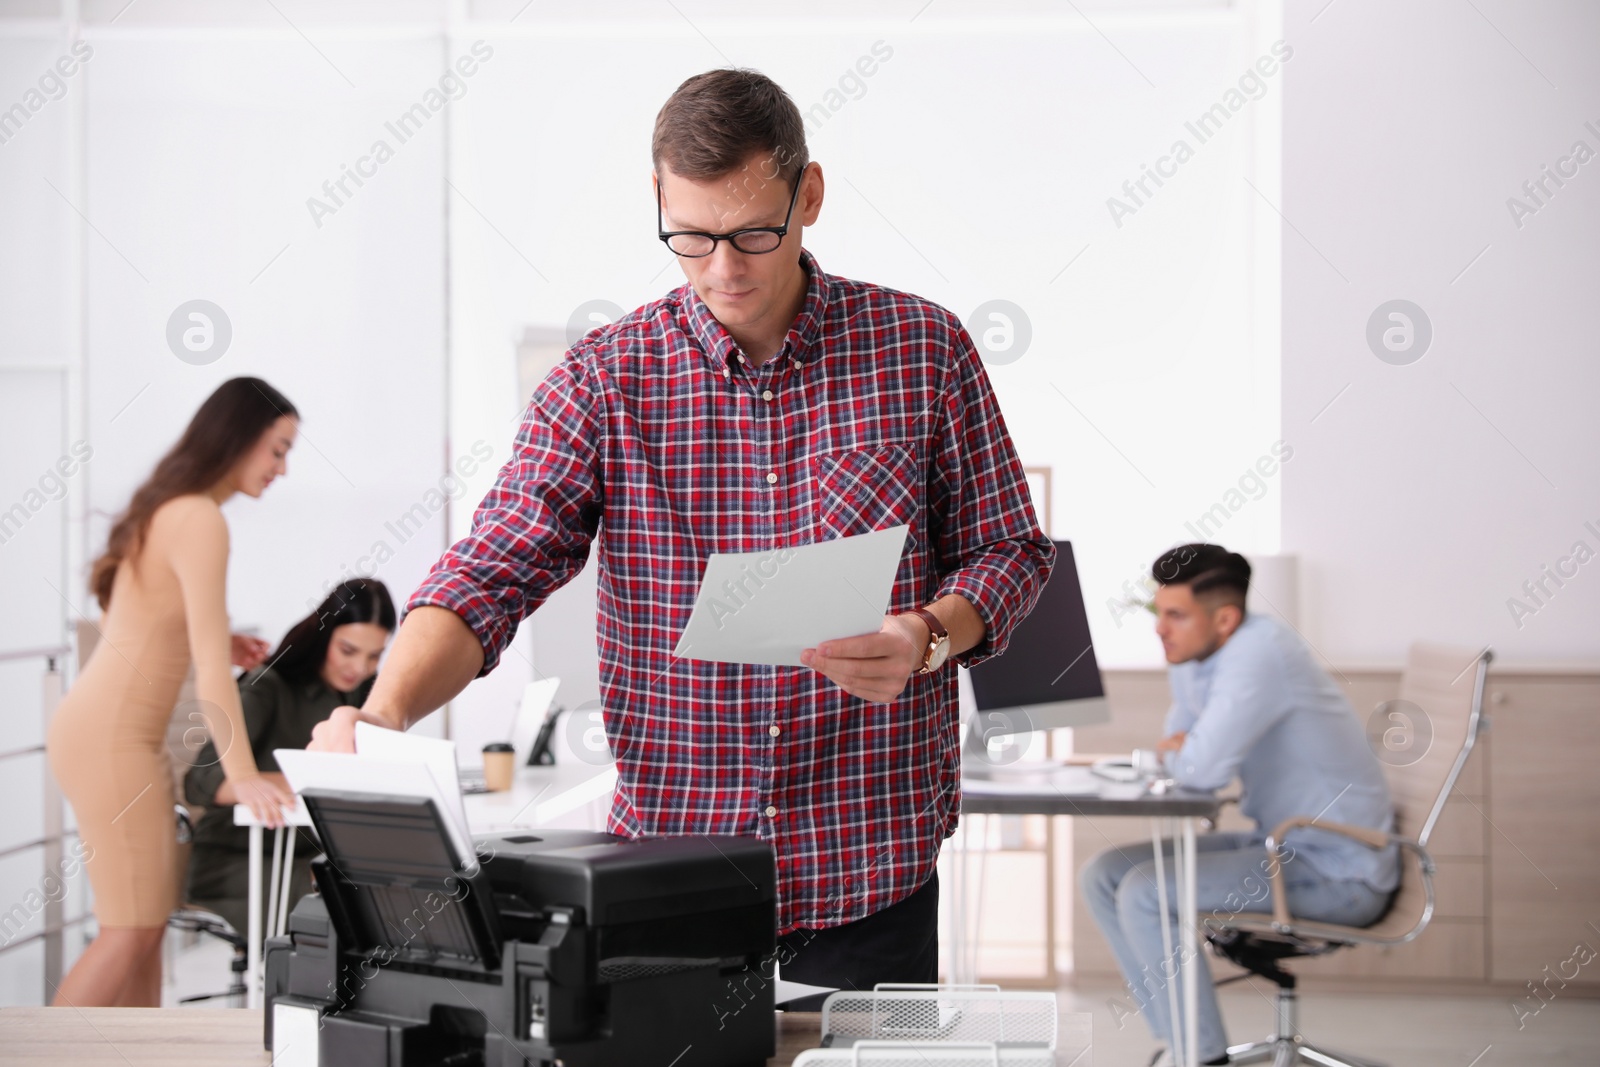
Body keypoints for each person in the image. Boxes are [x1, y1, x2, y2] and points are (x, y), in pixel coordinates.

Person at [310, 68, 1053, 1001]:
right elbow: (492, 566)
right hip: (672, 879)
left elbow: (1011, 549)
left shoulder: (924, 349)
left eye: (752, 233)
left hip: (874, 871)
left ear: (808, 195)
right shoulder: (604, 380)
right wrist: (383, 717)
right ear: (658, 201)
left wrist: (928, 633)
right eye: (690, 238)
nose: (723, 270)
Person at [1081, 544, 1398, 1066]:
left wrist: (1188, 750)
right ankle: (1181, 1044)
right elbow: (1178, 745)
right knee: (1105, 873)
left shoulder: (1259, 654)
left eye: (1176, 616)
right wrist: (1187, 749)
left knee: (1144, 891)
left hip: (1338, 870)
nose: (1161, 629)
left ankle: (1202, 1060)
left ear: (1225, 618)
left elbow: (1200, 768)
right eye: (1159, 613)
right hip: (1277, 844)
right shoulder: (1197, 654)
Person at [45, 377, 297, 1007]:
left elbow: (149, 620)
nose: (283, 469)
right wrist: (239, 776)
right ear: (237, 439)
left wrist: (223, 638)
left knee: (144, 925)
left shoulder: (172, 507)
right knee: (130, 930)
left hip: (107, 731)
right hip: (113, 739)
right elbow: (214, 673)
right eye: (277, 449)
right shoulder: (200, 518)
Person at [183, 578, 395, 940]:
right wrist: (301, 779)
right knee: (345, 907)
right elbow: (199, 782)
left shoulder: (360, 695)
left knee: (394, 889)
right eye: (348, 650)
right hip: (240, 858)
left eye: (373, 656)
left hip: (308, 854)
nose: (359, 667)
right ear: (323, 635)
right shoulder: (268, 685)